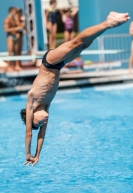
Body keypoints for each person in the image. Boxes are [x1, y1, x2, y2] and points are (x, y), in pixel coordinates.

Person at [20, 12, 130, 166]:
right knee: (84, 44)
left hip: (49, 62)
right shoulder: (46, 107)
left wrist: (28, 154)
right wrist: (38, 155)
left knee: (76, 42)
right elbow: (41, 136)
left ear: (31, 118)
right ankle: (108, 20)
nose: (43, 122)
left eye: (38, 123)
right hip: (59, 65)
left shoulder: (32, 101)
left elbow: (29, 133)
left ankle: (109, 23)